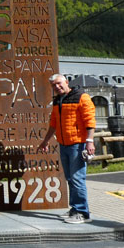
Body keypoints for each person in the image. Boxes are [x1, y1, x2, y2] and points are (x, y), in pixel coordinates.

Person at [38, 74, 96, 224]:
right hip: (63, 144)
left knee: (77, 179)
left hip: (78, 144)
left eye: (59, 83)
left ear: (66, 82)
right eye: (53, 85)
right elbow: (53, 123)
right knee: (70, 179)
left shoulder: (81, 97)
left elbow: (90, 120)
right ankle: (75, 209)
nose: (57, 87)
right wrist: (45, 141)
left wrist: (90, 142)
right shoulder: (57, 100)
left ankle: (82, 213)